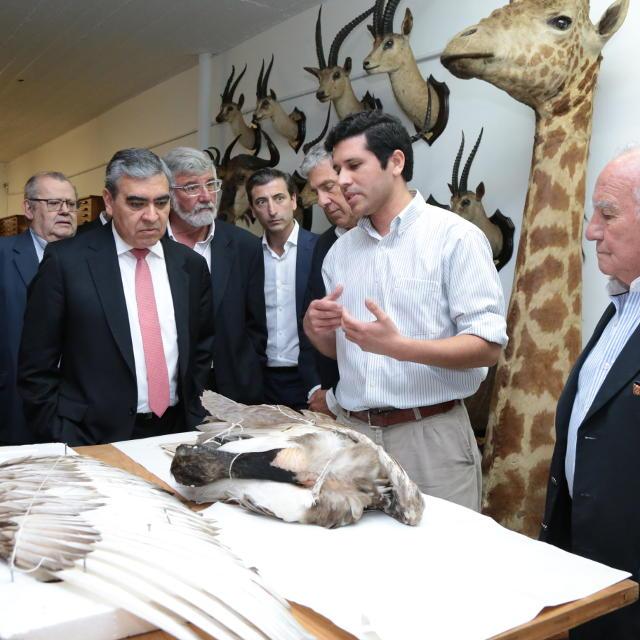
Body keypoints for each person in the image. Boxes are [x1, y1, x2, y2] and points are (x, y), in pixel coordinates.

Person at [304, 111, 507, 510]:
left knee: (441, 565)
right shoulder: (340, 252)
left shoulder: (456, 238)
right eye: (338, 168)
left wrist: (400, 347)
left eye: (354, 166)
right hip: (354, 436)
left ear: (395, 162)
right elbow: (340, 351)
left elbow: (487, 347)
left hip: (430, 438)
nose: (342, 180)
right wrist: (317, 330)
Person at [18, 148, 215, 445]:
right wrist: (61, 435)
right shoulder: (66, 263)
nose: (151, 216)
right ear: (109, 201)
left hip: (178, 431)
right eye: (136, 203)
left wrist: (195, 412)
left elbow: (201, 349)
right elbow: (36, 367)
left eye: (161, 202)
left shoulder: (190, 265)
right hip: (93, 437)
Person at [540, 148, 640, 640]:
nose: (591, 231)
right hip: (592, 565)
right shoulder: (621, 307)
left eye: (608, 214)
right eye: (591, 215)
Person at [164, 147, 267, 405]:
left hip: (231, 388)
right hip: (168, 389)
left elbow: (256, 324)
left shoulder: (245, 246)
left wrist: (248, 370)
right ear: (168, 193)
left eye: (211, 184)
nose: (206, 196)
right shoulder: (151, 245)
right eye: (191, 188)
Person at [0, 171, 77, 445]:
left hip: (78, 414)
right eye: (54, 203)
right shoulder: (3, 256)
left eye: (71, 204)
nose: (65, 211)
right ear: (28, 208)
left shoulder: (92, 261)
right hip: (14, 407)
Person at [246, 167, 319, 409]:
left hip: (311, 380)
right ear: (253, 209)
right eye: (261, 202)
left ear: (294, 200)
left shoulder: (321, 250)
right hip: (261, 381)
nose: (272, 210)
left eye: (279, 198)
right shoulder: (247, 257)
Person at [299, 145, 361, 416]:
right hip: (332, 404)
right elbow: (310, 322)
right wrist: (316, 390)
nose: (322, 201)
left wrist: (335, 398)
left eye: (329, 187)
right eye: (316, 192)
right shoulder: (323, 246)